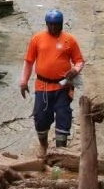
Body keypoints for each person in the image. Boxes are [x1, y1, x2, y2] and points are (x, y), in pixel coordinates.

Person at [19, 9, 85, 154]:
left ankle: (61, 152)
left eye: (56, 25)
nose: (53, 28)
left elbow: (79, 60)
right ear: (46, 24)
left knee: (63, 116)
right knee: (41, 117)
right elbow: (29, 62)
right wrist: (23, 81)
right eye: (50, 25)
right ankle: (43, 146)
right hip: (43, 86)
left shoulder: (70, 40)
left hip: (63, 86)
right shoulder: (37, 39)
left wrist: (75, 70)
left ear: (61, 24)